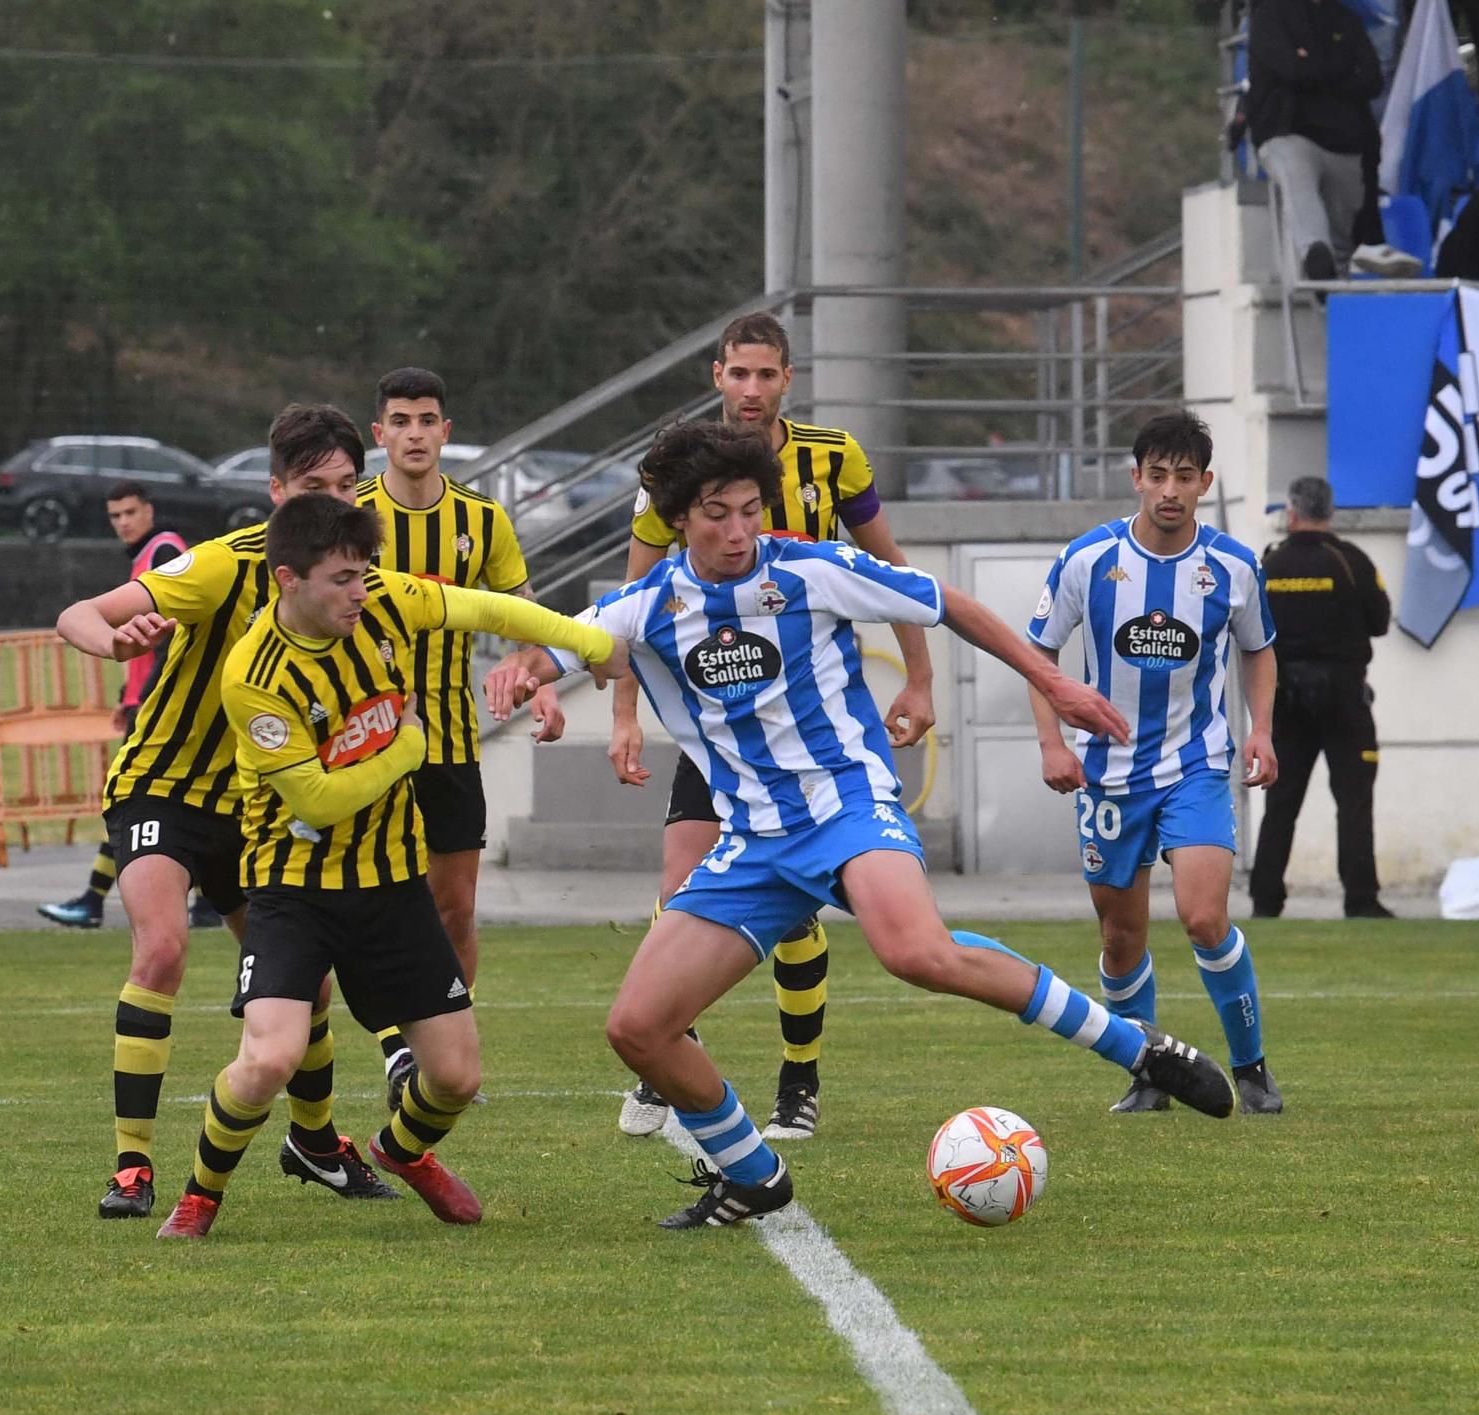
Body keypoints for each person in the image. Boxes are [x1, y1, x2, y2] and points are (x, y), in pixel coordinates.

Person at [485, 422, 1235, 1230]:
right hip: (753, 840)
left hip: (847, 803)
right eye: (716, 515)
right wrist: (523, 673)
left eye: (749, 510)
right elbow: (557, 647)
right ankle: (751, 1174)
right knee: (638, 1028)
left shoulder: (814, 568)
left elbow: (945, 602)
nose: (738, 531)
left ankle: (1139, 1047)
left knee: (915, 951)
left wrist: (1055, 684)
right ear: (677, 520)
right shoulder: (645, 606)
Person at [154, 492, 628, 1240]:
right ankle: (200, 1195)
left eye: (365, 572)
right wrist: (409, 748)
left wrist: (588, 644)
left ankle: (401, 1152)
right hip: (293, 892)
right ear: (288, 580)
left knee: (456, 1078)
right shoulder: (253, 674)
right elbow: (317, 794)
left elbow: (492, 611)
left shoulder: (386, 601)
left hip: (392, 883)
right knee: (269, 1059)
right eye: (342, 578)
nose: (360, 591)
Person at [54, 406, 394, 1220]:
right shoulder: (223, 566)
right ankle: (132, 1168)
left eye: (347, 487)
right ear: (276, 493)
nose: (333, 504)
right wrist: (120, 640)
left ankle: (314, 1141)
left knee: (304, 984)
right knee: (164, 949)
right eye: (315, 488)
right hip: (165, 788)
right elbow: (78, 615)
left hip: (259, 812)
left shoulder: (356, 579)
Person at [607, 310, 938, 1143]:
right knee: (681, 887)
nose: (751, 389)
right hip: (717, 713)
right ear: (716, 376)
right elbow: (626, 605)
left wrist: (922, 678)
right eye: (737, 373)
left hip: (811, 714)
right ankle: (666, 1054)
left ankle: (800, 1078)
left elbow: (892, 567)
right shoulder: (676, 470)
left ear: (789, 378)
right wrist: (623, 715)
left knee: (797, 911)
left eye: (766, 374)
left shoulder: (833, 456)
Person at [1025, 411, 1284, 1116]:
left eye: (1185, 477)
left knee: (1204, 918)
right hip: (1107, 774)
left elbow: (1258, 648)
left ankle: (1251, 1067)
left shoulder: (1231, 565)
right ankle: (1150, 1071)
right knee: (1120, 935)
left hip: (1196, 764)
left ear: (1205, 483)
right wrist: (1052, 743)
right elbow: (1038, 655)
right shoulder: (1087, 560)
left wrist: (1261, 731)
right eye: (1157, 475)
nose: (1170, 489)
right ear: (1136, 478)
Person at [357, 366, 558, 1109]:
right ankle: (395, 1049)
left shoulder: (482, 521)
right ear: (379, 435)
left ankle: (439, 1041)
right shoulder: (351, 515)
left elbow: (525, 623)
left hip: (449, 743)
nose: (414, 433)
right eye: (400, 421)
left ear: (447, 431)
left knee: (454, 909)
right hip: (362, 745)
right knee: (369, 899)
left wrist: (529, 672)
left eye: (427, 420)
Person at [38, 481, 189, 931]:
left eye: (129, 512)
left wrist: (147, 699)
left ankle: (93, 899)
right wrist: (129, 698)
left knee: (130, 795)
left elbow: (174, 631)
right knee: (162, 797)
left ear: (149, 511)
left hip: (162, 704)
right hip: (146, 702)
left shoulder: (165, 552)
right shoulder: (148, 556)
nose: (123, 523)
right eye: (115, 516)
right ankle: (98, 899)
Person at [1249, 475, 1394, 918]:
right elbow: (1380, 621)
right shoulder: (1352, 561)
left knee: (1281, 802)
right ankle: (1361, 899)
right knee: (1354, 801)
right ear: (1330, 513)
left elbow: (1250, 630)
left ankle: (1266, 900)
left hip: (1286, 701)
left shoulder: (1268, 565)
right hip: (1344, 699)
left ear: (1291, 513)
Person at [1248, 0, 1384, 279]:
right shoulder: (1269, 16)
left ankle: (1331, 287)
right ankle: (1315, 254)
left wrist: (1310, 64)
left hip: (1345, 143)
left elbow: (1372, 79)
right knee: (1299, 184)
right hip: (1288, 132)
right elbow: (1290, 69)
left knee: (1344, 237)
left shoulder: (1346, 19)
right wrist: (1342, 68)